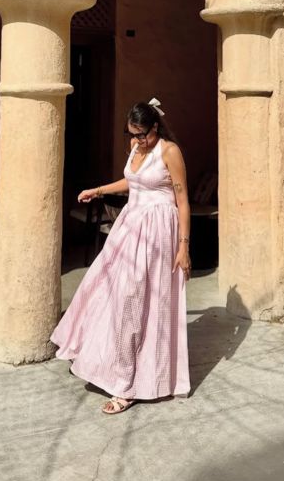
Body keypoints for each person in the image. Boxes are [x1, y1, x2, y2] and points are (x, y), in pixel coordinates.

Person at [51, 97, 191, 413]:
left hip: (158, 231)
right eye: (133, 134)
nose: (138, 140)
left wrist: (184, 246)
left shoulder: (169, 151)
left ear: (155, 127)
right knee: (103, 288)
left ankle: (127, 384)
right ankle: (100, 357)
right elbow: (132, 181)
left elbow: (182, 201)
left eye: (143, 134)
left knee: (136, 301)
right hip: (129, 228)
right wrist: (98, 190)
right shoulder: (135, 147)